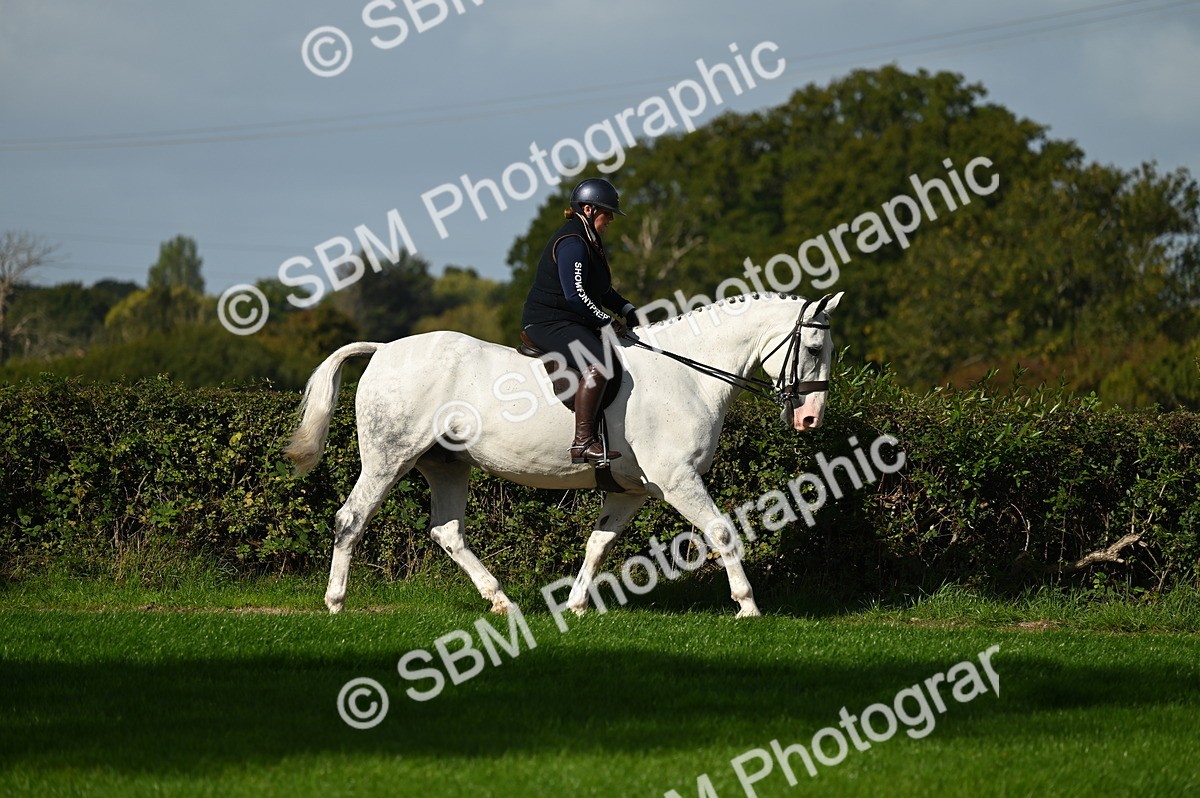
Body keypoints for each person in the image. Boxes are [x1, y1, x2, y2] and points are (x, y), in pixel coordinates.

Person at [521, 177, 639, 464]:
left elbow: (599, 289)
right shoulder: (573, 242)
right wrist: (605, 320)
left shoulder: (589, 240)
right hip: (548, 322)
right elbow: (575, 295)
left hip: (570, 320)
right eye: (606, 212)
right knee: (599, 364)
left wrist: (626, 307)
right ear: (588, 209)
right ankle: (583, 443)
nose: (610, 219)